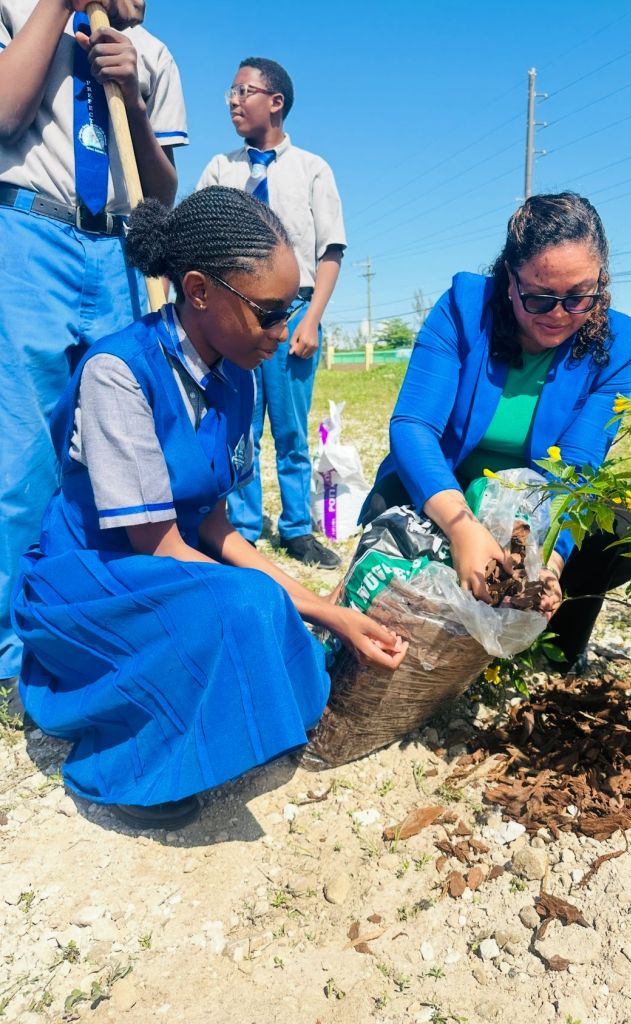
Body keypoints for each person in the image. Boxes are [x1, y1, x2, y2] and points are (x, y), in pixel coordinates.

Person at [12, 186, 406, 830]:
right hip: (92, 579)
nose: (283, 333)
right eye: (269, 313)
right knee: (244, 605)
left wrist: (323, 608)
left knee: (260, 604)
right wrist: (307, 608)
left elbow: (216, 526)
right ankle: (135, 769)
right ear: (198, 290)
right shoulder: (117, 372)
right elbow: (160, 545)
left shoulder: (236, 375)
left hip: (168, 563)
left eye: (293, 309)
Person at [363, 192, 631, 674]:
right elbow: (413, 426)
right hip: (444, 488)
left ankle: (551, 653)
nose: (559, 314)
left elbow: (577, 465)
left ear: (601, 281)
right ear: (508, 279)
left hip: (532, 505)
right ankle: (440, 652)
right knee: (395, 534)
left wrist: (551, 565)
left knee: (620, 533)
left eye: (579, 296)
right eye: (538, 297)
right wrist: (461, 527)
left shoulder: (616, 343)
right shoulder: (464, 307)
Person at [0, 0, 188, 683]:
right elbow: (4, 115)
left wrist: (132, 101)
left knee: (116, 446)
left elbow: (160, 192)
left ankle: (98, 614)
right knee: (22, 456)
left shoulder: (153, 54)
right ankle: (11, 651)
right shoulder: (17, 11)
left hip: (118, 252)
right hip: (28, 233)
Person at [197, 57, 346, 569]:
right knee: (238, 423)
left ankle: (297, 529)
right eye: (230, 93)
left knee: (290, 428)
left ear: (275, 100)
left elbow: (330, 252)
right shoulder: (221, 168)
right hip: (235, 315)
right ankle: (239, 527)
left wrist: (311, 319)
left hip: (294, 312)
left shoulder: (312, 169)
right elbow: (200, 236)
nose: (234, 101)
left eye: (244, 91)